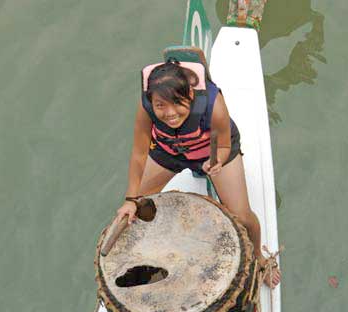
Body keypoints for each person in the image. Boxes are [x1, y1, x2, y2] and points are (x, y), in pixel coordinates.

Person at [115, 60, 280, 288]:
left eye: (177, 103)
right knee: (140, 207)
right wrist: (130, 200)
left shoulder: (214, 105)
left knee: (242, 215)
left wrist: (217, 162)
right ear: (152, 101)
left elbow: (222, 145)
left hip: (212, 152)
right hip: (169, 150)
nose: (170, 113)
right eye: (160, 105)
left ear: (191, 94)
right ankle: (154, 256)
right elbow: (139, 152)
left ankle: (260, 258)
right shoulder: (146, 107)